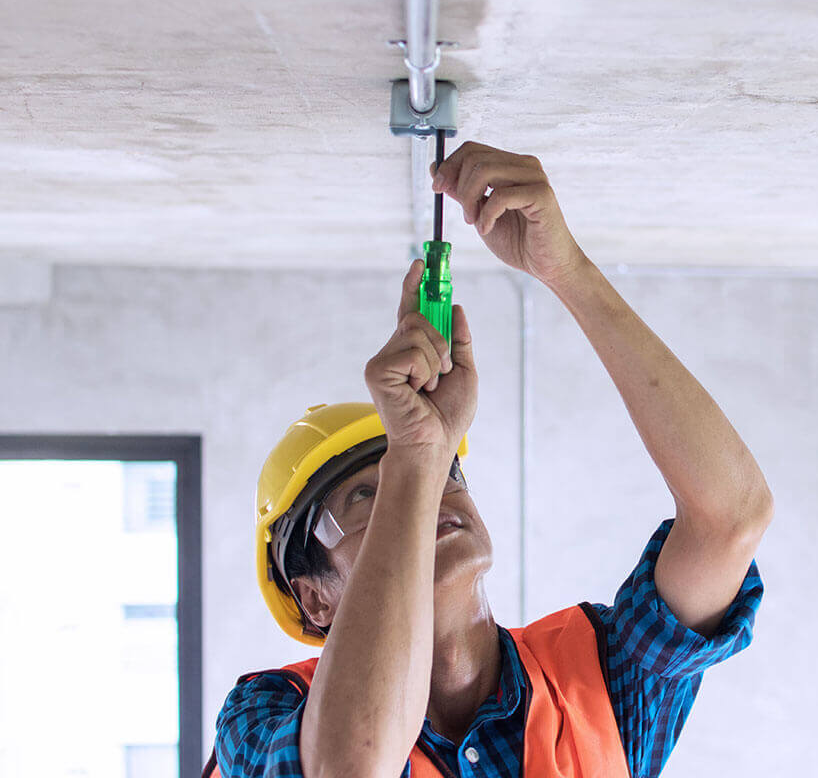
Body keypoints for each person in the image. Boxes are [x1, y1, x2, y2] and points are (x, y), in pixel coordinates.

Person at [209, 142, 774, 778]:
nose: (432, 495)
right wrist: (419, 456)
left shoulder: (601, 680)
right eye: (366, 497)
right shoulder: (262, 714)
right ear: (314, 599)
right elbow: (351, 764)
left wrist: (566, 269)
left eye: (448, 472)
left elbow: (730, 517)